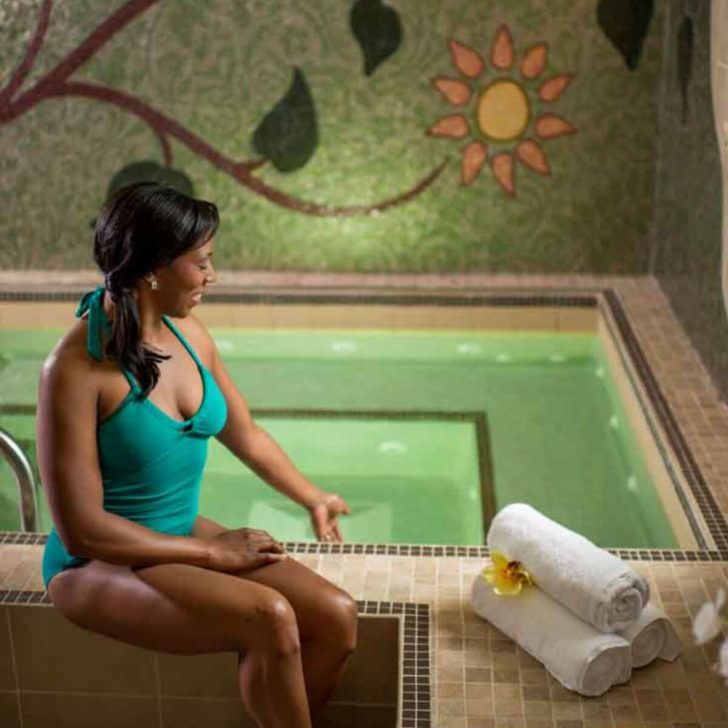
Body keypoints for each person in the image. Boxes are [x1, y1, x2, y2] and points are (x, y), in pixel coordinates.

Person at [37, 182, 357, 728]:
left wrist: (313, 496)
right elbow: (83, 531)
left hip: (178, 533)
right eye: (202, 262)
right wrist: (215, 555)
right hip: (98, 562)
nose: (213, 276)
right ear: (155, 268)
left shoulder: (189, 334)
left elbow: (245, 432)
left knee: (336, 616)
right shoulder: (74, 370)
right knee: (270, 617)